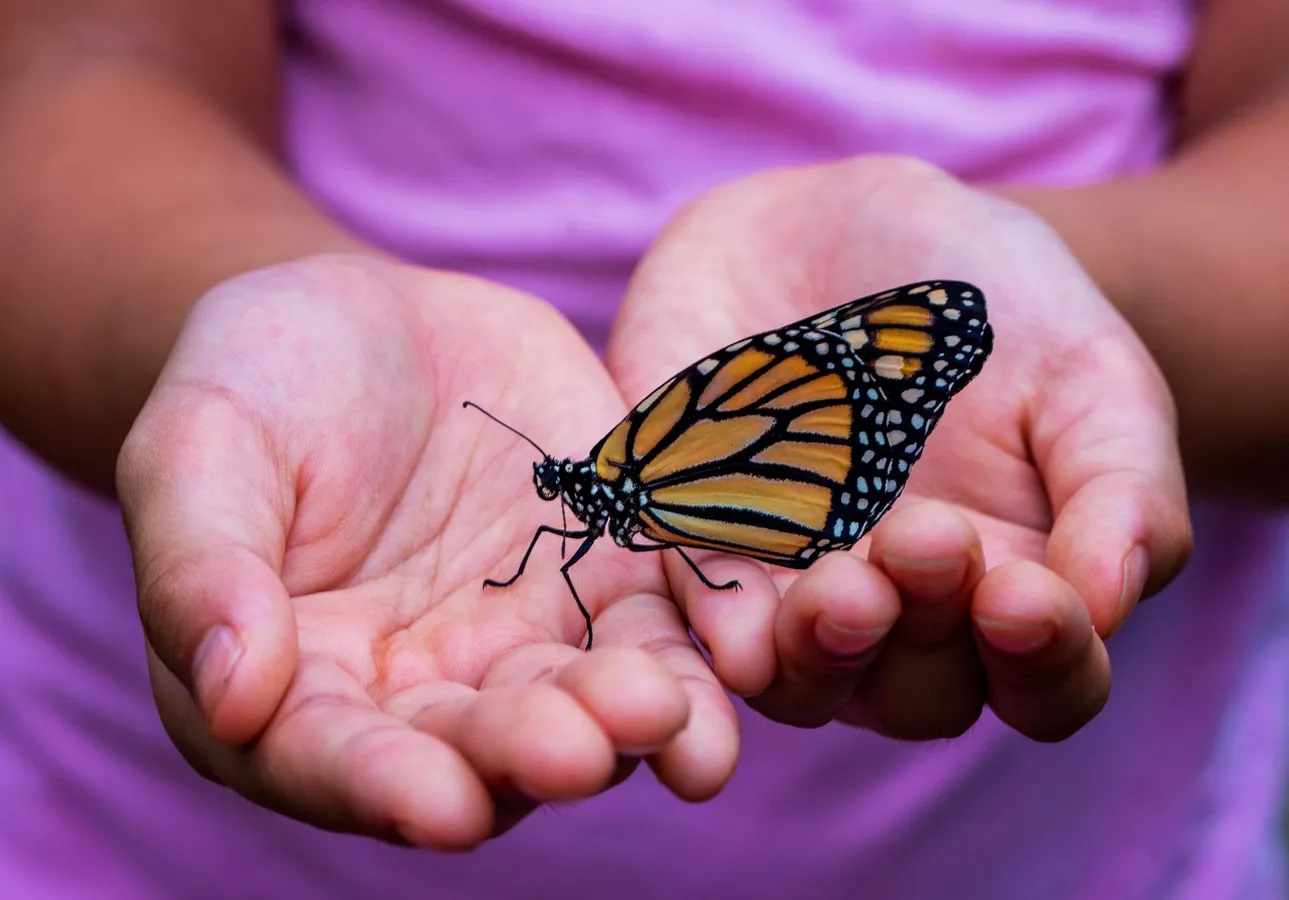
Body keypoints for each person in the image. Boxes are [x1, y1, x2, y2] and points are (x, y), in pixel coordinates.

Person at [1, 0, 1285, 897]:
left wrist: (1098, 304)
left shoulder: (644, 464)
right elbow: (74, 73)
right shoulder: (622, 482)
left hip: (1072, 859)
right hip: (127, 844)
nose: (563, 494)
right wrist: (245, 320)